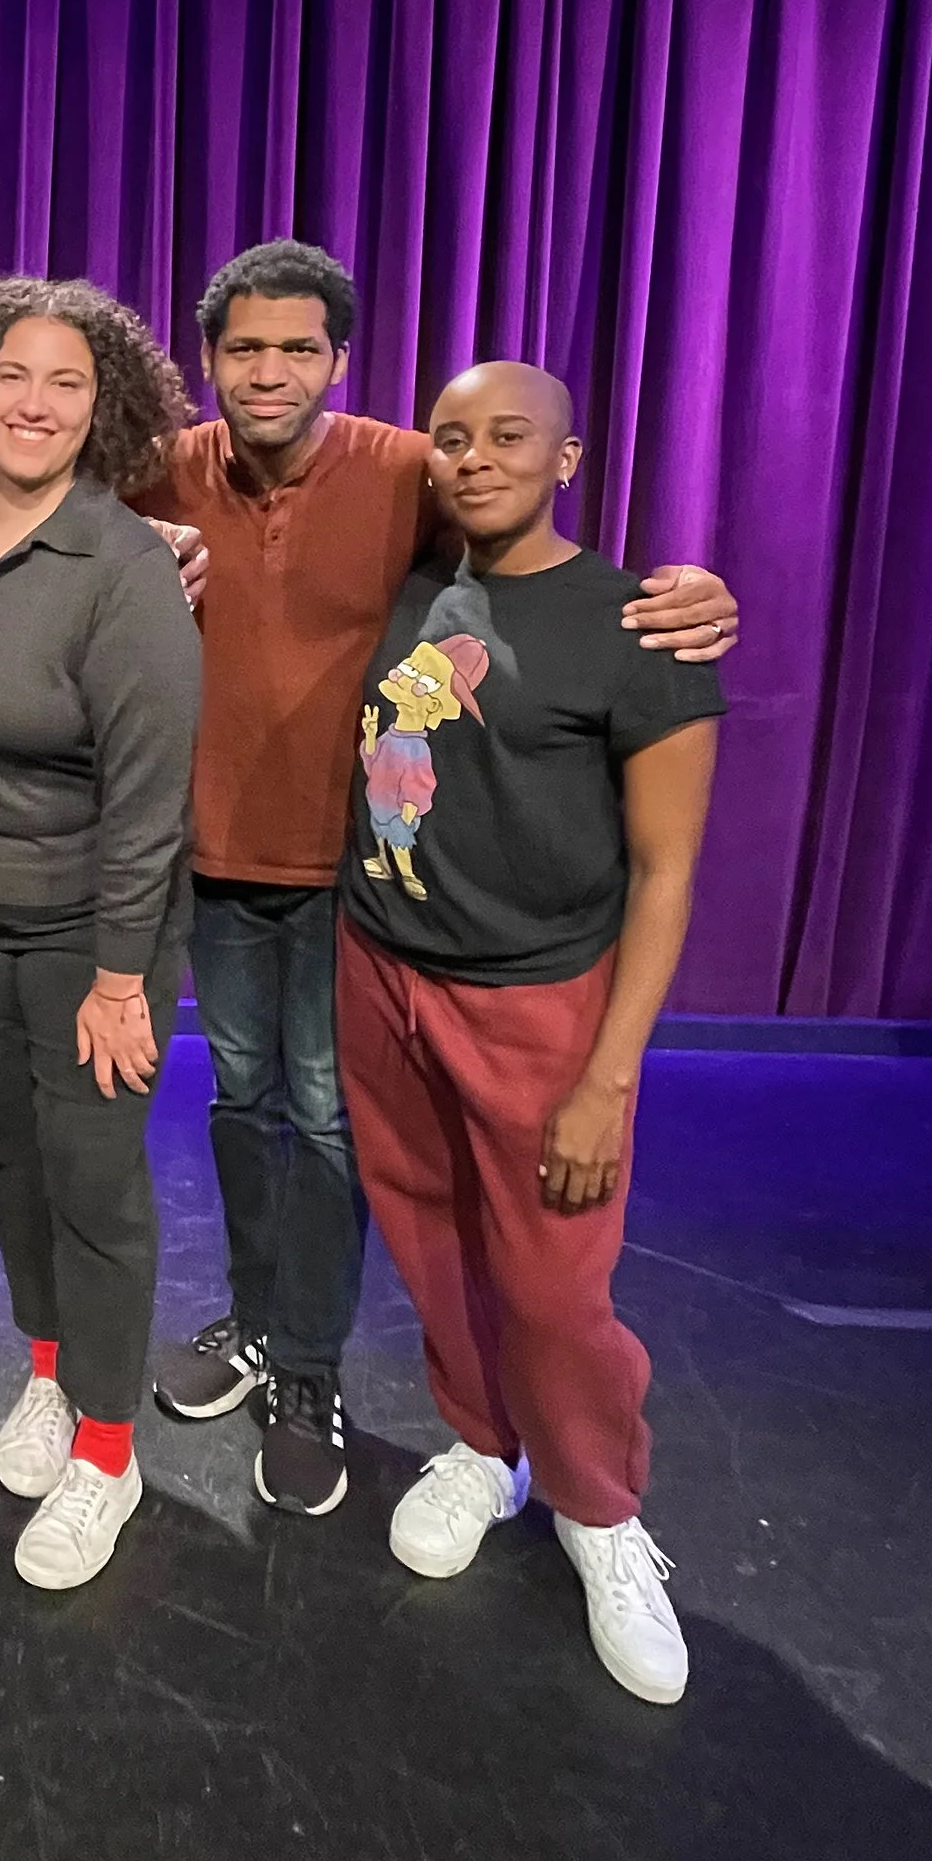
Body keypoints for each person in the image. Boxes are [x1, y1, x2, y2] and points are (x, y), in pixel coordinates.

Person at [133, 239, 739, 1520]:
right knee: (242, 1105)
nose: (269, 369)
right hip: (215, 865)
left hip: (355, 881)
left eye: (299, 347)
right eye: (245, 347)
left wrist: (692, 592)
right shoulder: (164, 469)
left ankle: (308, 1369)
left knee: (331, 1126)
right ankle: (254, 1316)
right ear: (208, 359)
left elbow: (536, 545)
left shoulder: (411, 467)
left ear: (339, 363)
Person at [336, 362, 724, 1704]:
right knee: (433, 1235)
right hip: (381, 965)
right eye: (451, 436)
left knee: (555, 1281)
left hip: (539, 996)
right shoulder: (403, 579)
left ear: (569, 458)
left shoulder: (641, 624)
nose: (475, 456)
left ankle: (601, 1509)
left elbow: (667, 872)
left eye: (510, 436)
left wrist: (607, 1076)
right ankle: (481, 1442)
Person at [0, 279, 201, 1592]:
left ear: (107, 406)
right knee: (11, 1161)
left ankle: (111, 1448)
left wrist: (123, 977)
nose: (33, 402)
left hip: (95, 937)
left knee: (95, 1186)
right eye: (11, 374)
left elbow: (150, 794)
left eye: (65, 382)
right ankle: (46, 1369)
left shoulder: (125, 563)